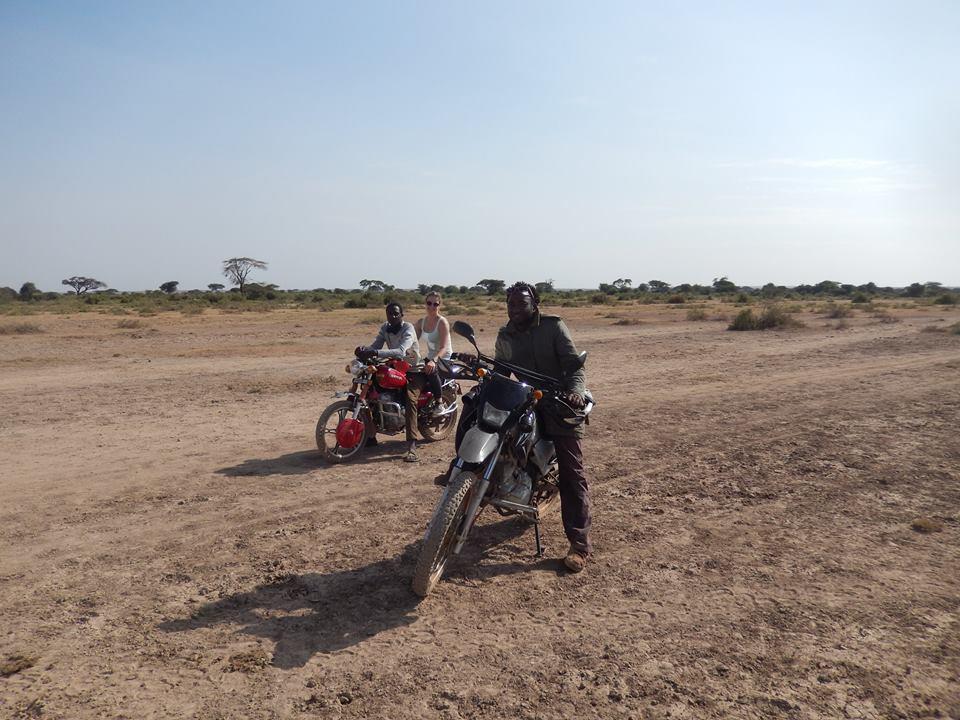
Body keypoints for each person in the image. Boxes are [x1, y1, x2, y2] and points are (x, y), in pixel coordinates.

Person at [494, 282, 593, 573]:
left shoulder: (553, 327)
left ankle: (579, 544)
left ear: (535, 303)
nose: (514, 309)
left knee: (572, 473)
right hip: (525, 401)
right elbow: (500, 373)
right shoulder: (505, 334)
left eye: (521, 304)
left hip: (560, 403)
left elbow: (575, 367)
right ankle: (460, 471)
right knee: (479, 410)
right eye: (510, 304)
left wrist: (575, 392)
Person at [355, 302, 425, 463]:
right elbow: (376, 345)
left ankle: (412, 446)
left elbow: (401, 351)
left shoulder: (408, 328)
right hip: (394, 367)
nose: (392, 316)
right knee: (371, 393)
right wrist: (364, 351)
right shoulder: (385, 328)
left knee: (410, 398)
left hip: (414, 370)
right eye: (389, 314)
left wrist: (376, 352)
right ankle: (371, 436)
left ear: (402, 315)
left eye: (396, 313)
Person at [414, 291, 453, 410]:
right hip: (430, 356)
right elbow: (412, 341)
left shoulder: (442, 322)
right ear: (425, 304)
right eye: (429, 303)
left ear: (439, 305)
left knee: (431, 370)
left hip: (444, 358)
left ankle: (439, 403)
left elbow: (444, 347)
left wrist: (433, 361)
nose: (431, 307)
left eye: (435, 304)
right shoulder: (421, 322)